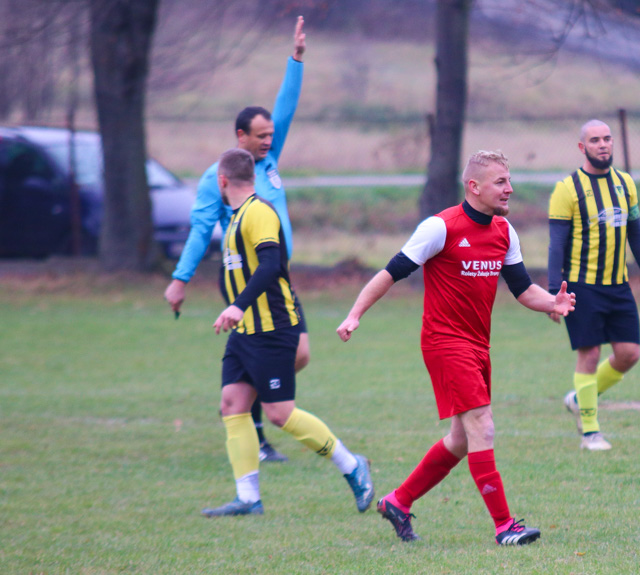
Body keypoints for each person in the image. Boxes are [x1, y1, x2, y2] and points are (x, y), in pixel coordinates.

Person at [337, 150, 575, 546]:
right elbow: (390, 272)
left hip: (479, 344)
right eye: (501, 182)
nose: (509, 188)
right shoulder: (440, 227)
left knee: (461, 440)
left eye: (509, 180)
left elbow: (522, 289)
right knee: (483, 426)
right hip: (445, 342)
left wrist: (553, 302)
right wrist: (354, 314)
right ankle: (505, 527)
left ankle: (398, 500)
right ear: (474, 186)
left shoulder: (504, 231)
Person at [164, 16, 309, 463]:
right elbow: (197, 230)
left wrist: (296, 60)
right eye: (260, 136)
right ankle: (257, 433)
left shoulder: (267, 162)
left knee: (298, 354)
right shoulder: (217, 179)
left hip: (277, 275)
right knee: (283, 354)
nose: (269, 141)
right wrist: (179, 278)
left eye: (271, 135)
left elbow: (285, 108)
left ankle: (254, 419)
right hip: (250, 280)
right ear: (240, 136)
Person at [201, 148, 374, 517]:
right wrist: (233, 309)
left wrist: (238, 305)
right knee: (233, 405)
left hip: (273, 329)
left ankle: (351, 464)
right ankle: (248, 498)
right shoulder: (233, 218)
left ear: (221, 180)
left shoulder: (258, 212)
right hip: (245, 332)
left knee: (279, 413)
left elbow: (269, 266)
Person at [547, 119, 640, 451]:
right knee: (590, 353)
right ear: (583, 147)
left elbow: (635, 232)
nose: (603, 144)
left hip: (619, 286)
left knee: (629, 354)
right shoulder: (566, 189)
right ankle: (590, 432)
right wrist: (556, 292)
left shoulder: (625, 183)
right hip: (582, 286)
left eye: (607, 139)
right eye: (595, 140)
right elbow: (556, 245)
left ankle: (581, 398)